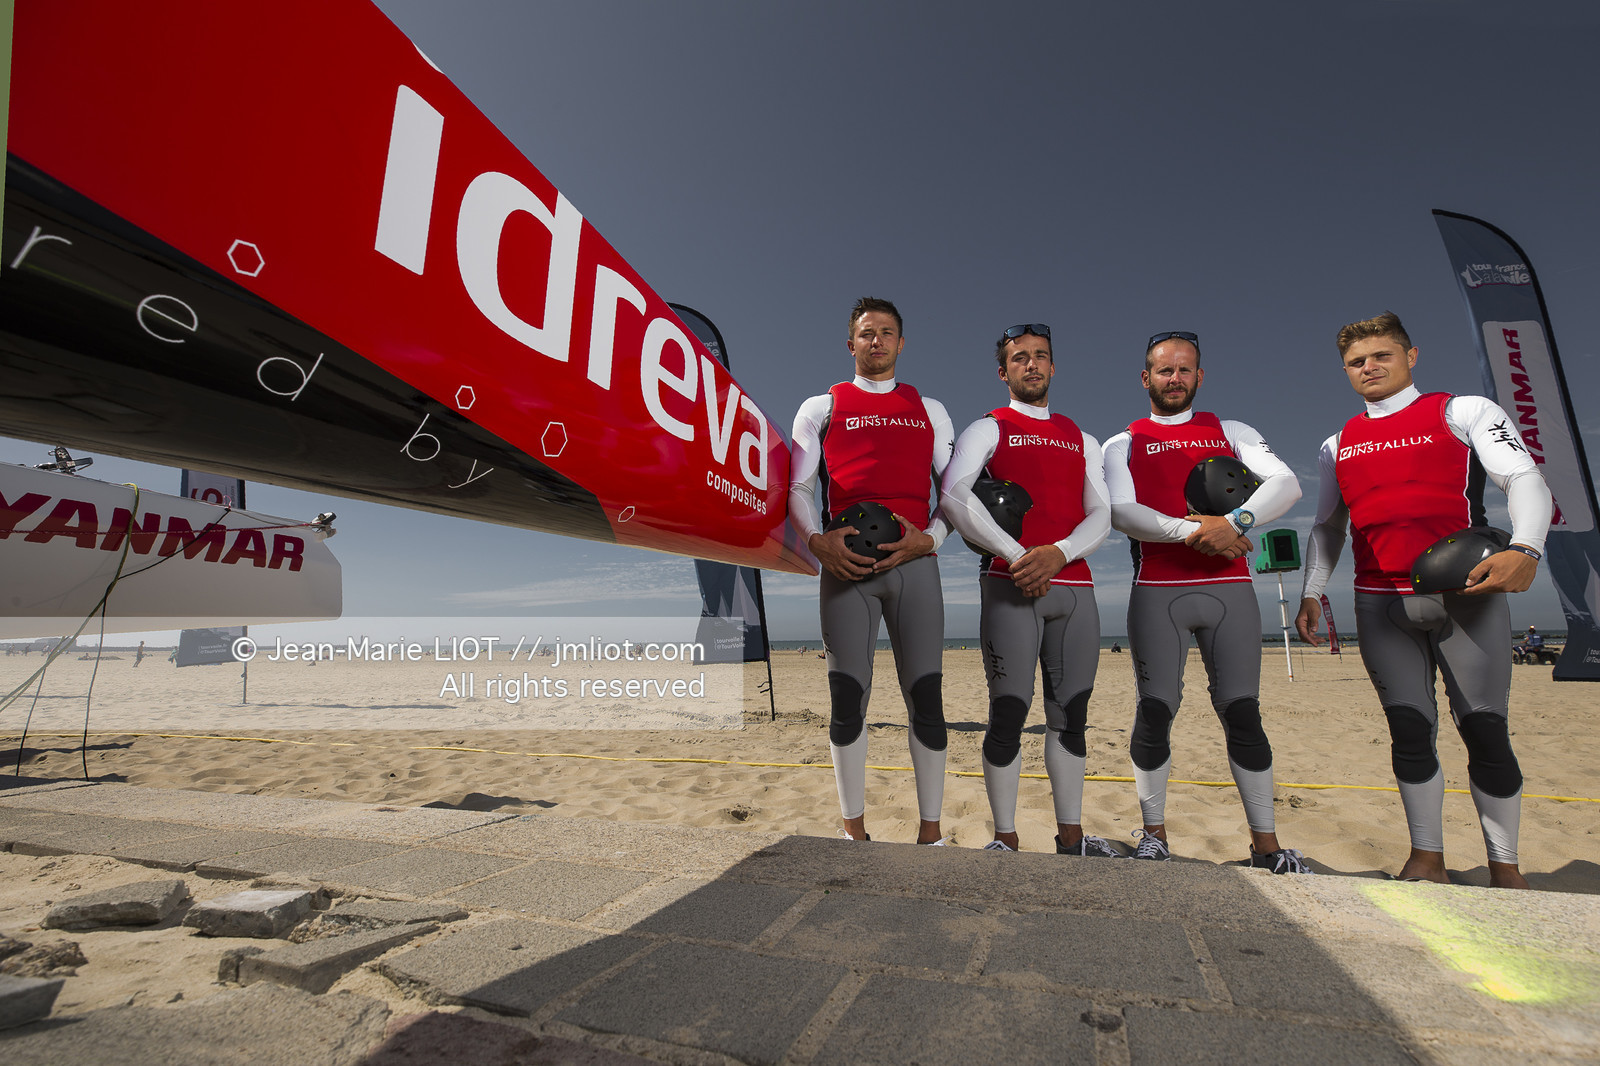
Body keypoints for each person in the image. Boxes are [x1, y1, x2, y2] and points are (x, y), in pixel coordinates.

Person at [1294, 312, 1552, 889]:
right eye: (1356, 362)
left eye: (1381, 355)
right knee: (1409, 730)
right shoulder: (1336, 445)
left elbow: (1523, 477)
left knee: (1485, 729)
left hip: (1467, 595)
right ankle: (1427, 858)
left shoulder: (1463, 411)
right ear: (1345, 371)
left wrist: (1527, 548)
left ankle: (1505, 867)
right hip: (1379, 603)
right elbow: (1328, 527)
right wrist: (1312, 592)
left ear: (1411, 356)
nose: (1369, 367)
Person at [1103, 330, 1312, 872]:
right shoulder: (1121, 443)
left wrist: (1236, 521)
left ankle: (1266, 846)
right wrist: (1198, 531)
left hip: (1230, 593)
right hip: (1157, 593)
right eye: (1164, 370)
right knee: (1155, 711)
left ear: (1199, 376)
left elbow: (1287, 484)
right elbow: (1121, 512)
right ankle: (1154, 835)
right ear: (1145, 378)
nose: (1175, 379)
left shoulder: (1232, 431)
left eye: (1184, 369)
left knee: (1242, 712)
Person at [941, 323, 1114, 856]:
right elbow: (953, 494)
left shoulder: (1082, 438)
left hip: (1074, 589)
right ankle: (1005, 838)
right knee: (1009, 714)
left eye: (1040, 356)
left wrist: (1058, 552)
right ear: (1004, 372)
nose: (1032, 365)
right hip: (1009, 585)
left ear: (1053, 367)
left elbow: (1101, 513)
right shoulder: (987, 429)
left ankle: (1071, 838)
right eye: (1020, 358)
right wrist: (1017, 554)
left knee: (1071, 716)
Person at [789, 297, 954, 844]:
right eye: (867, 333)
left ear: (901, 343)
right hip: (846, 569)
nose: (876, 340)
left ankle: (931, 833)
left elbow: (954, 496)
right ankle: (853, 832)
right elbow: (799, 487)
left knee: (925, 696)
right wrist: (817, 542)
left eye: (886, 332)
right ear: (851, 343)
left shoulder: (929, 408)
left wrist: (930, 539)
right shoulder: (822, 406)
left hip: (916, 566)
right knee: (846, 698)